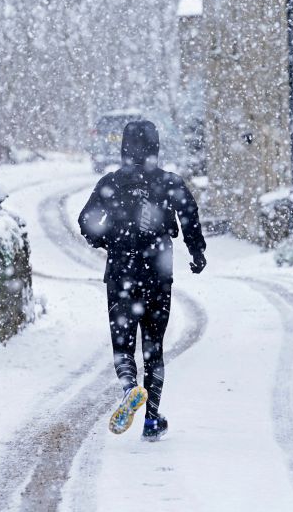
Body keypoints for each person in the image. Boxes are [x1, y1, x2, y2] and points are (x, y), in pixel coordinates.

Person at [78, 120, 206, 442]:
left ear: (123, 148)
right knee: (154, 347)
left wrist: (110, 239)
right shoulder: (169, 183)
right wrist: (197, 252)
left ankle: (128, 387)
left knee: (123, 342)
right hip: (157, 275)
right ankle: (151, 420)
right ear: (156, 148)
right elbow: (189, 217)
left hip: (121, 274)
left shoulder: (111, 183)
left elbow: (86, 220)